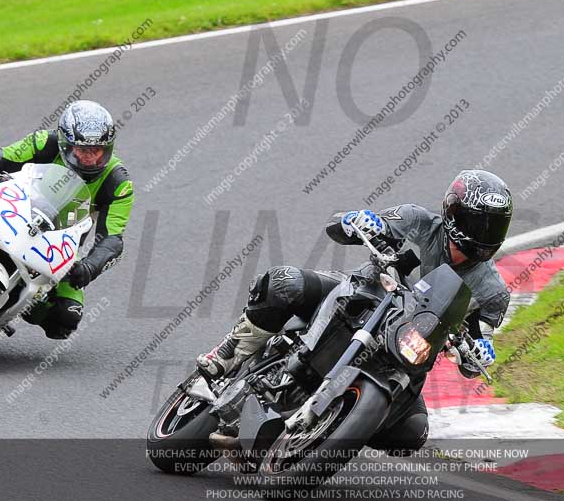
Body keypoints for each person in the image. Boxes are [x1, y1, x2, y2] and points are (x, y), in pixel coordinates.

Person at [197, 169, 512, 451]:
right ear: (454, 211)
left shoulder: (493, 291)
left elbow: (477, 346)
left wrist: (482, 350)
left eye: (494, 226)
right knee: (284, 283)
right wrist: (358, 221)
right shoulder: (416, 221)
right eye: (478, 221)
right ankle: (228, 354)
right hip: (358, 297)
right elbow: (338, 228)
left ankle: (333, 429)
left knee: (413, 433)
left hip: (407, 349)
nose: (484, 233)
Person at [0, 100, 134, 340]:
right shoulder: (45, 142)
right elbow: (1, 154)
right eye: (82, 150)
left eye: (97, 151)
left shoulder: (118, 182)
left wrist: (90, 266)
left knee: (65, 317)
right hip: (12, 207)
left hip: (56, 242)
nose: (89, 159)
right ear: (65, 143)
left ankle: (1, 308)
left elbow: (113, 239)